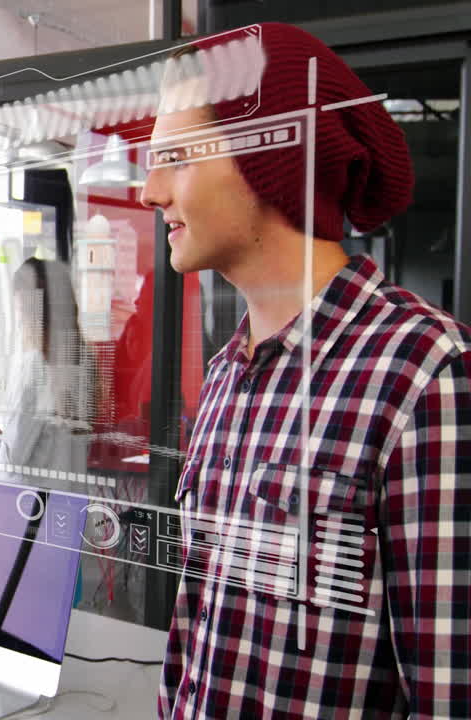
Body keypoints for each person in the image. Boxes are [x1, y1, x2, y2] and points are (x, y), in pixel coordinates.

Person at [140, 23, 469, 718]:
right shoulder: (232, 374)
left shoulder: (425, 374)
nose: (150, 190)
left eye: (176, 157)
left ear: (274, 158)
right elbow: (194, 645)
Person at [0, 258, 95, 491]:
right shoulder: (82, 359)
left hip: (26, 509)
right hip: (69, 501)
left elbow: (13, 457)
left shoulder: (32, 365)